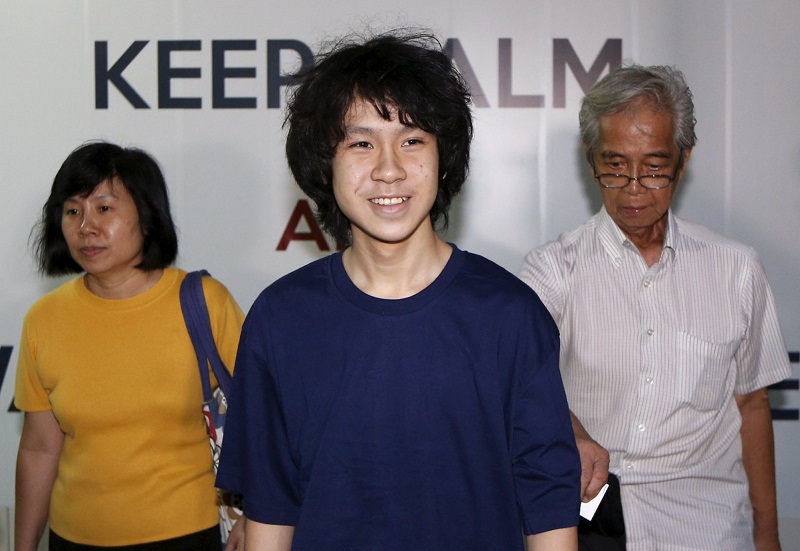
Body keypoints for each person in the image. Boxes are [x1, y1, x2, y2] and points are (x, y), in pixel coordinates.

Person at [216, 31, 581, 551]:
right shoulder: (280, 318)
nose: (389, 169)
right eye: (361, 143)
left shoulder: (508, 314)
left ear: (444, 158)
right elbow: (272, 510)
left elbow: (548, 505)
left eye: (412, 140)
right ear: (326, 162)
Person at [519, 63, 791, 551]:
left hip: (709, 529)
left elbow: (751, 404)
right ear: (591, 159)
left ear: (683, 162)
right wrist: (573, 432)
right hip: (591, 528)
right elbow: (518, 384)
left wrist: (767, 536)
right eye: (615, 165)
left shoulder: (736, 269)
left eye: (655, 168)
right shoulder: (550, 271)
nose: (634, 187)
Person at [14, 141, 246, 550]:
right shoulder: (44, 319)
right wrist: (23, 544)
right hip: (73, 538)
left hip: (186, 534)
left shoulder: (204, 302)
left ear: (148, 216)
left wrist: (254, 519)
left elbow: (259, 420)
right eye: (73, 211)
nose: (86, 226)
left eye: (104, 208)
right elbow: (39, 449)